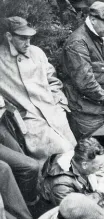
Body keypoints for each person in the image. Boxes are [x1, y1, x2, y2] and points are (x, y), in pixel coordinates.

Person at [0, 17, 77, 161]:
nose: (28, 43)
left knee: (75, 152)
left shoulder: (37, 53)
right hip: (29, 120)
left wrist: (59, 103)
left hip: (53, 112)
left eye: (29, 38)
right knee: (61, 154)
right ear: (9, 36)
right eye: (22, 38)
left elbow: (53, 80)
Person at [62, 1, 104, 140]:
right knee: (90, 154)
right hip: (84, 113)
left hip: (101, 110)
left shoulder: (103, 39)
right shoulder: (78, 42)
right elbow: (86, 82)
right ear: (93, 19)